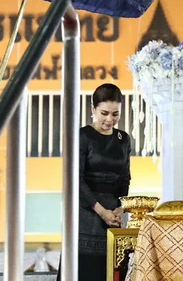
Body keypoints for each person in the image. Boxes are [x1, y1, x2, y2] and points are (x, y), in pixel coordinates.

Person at [59, 83, 131, 281]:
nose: (110, 119)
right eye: (104, 113)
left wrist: (120, 209)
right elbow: (76, 180)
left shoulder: (123, 139)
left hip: (114, 216)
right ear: (93, 109)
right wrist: (102, 212)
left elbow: (125, 178)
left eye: (115, 114)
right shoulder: (82, 136)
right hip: (86, 213)